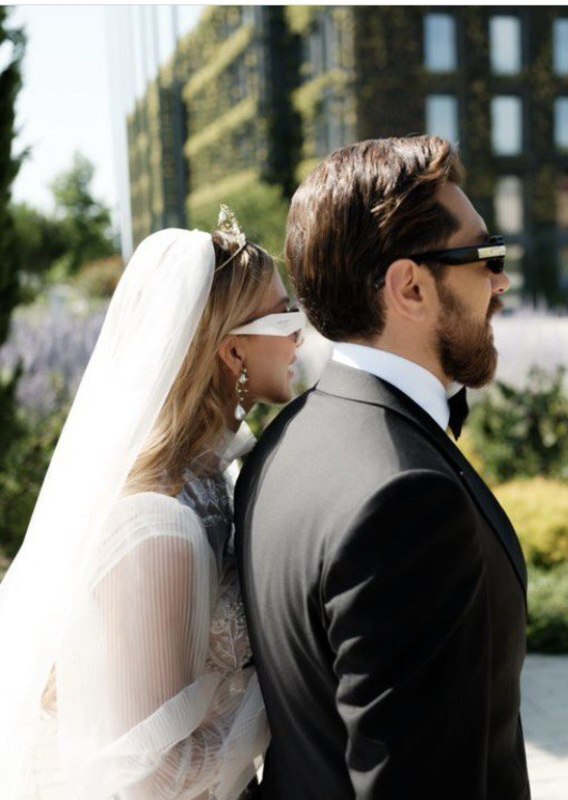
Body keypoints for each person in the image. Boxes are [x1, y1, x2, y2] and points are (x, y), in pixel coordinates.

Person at [235, 136, 531, 798]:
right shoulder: (408, 501)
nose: (501, 281)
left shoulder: (282, 442)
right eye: (485, 255)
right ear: (411, 287)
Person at [0, 210, 301, 799]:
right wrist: (290, 698)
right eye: (285, 314)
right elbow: (147, 769)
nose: (300, 333)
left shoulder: (216, 476)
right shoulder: (161, 523)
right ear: (232, 351)